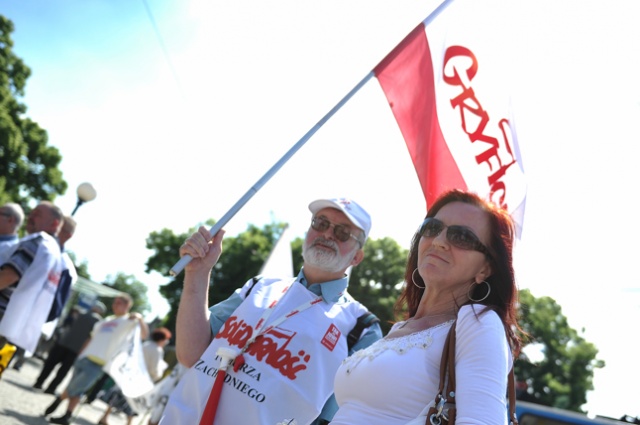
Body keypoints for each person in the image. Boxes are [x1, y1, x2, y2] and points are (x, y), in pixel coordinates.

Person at [160, 197, 383, 425]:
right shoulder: (259, 285)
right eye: (321, 223)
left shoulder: (362, 328)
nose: (327, 234)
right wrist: (198, 272)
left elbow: (341, 418)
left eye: (343, 232)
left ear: (357, 257)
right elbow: (190, 355)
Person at [330, 189, 523, 424]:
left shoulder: (478, 321)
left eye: (462, 237)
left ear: (485, 269)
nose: (439, 242)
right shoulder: (401, 328)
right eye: (432, 228)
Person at [44, 294, 149, 425]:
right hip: (84, 358)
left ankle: (58, 400)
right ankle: (67, 415)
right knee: (77, 390)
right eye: (114, 302)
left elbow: (144, 335)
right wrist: (80, 355)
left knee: (75, 387)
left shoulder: (128, 321)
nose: (114, 305)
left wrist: (139, 318)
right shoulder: (107, 320)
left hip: (98, 363)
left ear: (127, 306)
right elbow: (91, 338)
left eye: (118, 303)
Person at [0, 201, 64, 368]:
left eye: (37, 214)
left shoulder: (37, 242)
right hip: (12, 323)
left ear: (54, 223)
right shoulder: (54, 253)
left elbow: (8, 275)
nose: (31, 216)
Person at [97, 327, 172, 425]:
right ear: (162, 339)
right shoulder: (157, 350)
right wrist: (159, 374)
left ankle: (105, 416)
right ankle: (128, 423)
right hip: (142, 380)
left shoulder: (145, 345)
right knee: (133, 403)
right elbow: (154, 370)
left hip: (131, 375)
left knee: (119, 396)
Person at [33, 301, 106, 394]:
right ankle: (51, 388)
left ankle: (39, 382)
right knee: (63, 371)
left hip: (63, 342)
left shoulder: (80, 313)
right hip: (76, 349)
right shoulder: (98, 321)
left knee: (50, 364)